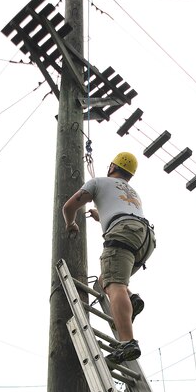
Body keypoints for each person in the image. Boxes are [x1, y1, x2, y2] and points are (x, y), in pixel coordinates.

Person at [62, 151, 156, 365]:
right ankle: (131, 300)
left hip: (123, 231)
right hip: (145, 238)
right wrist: (100, 216)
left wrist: (70, 224)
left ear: (112, 166)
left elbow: (69, 207)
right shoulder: (132, 191)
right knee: (105, 280)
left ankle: (127, 343)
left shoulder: (98, 182)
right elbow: (118, 210)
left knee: (114, 285)